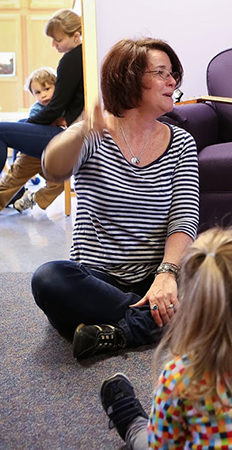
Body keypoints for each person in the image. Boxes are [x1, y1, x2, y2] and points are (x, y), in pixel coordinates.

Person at [31, 38, 199, 359]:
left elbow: (184, 217)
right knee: (50, 279)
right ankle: (156, 322)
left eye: (173, 73)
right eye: (161, 72)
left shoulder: (181, 142)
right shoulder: (94, 134)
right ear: (129, 79)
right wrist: (80, 131)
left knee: (219, 273)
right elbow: (52, 170)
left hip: (156, 276)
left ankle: (115, 331)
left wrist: (166, 273)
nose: (172, 81)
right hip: (97, 278)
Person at [98, 227, 232, 449]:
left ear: (190, 303)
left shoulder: (182, 376)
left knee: (144, 439)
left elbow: (162, 445)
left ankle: (133, 423)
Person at [0, 9, 84, 210]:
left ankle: (17, 186)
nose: (53, 45)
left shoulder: (71, 59)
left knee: (3, 129)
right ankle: (16, 186)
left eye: (57, 40)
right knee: (19, 125)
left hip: (69, 134)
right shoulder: (82, 56)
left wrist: (31, 124)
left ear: (76, 36)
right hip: (71, 130)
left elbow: (56, 107)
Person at [10, 67, 67, 212]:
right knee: (13, 179)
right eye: (38, 93)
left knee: (59, 184)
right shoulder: (36, 109)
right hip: (33, 154)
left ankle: (33, 199)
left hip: (53, 155)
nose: (43, 95)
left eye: (47, 89)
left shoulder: (63, 105)